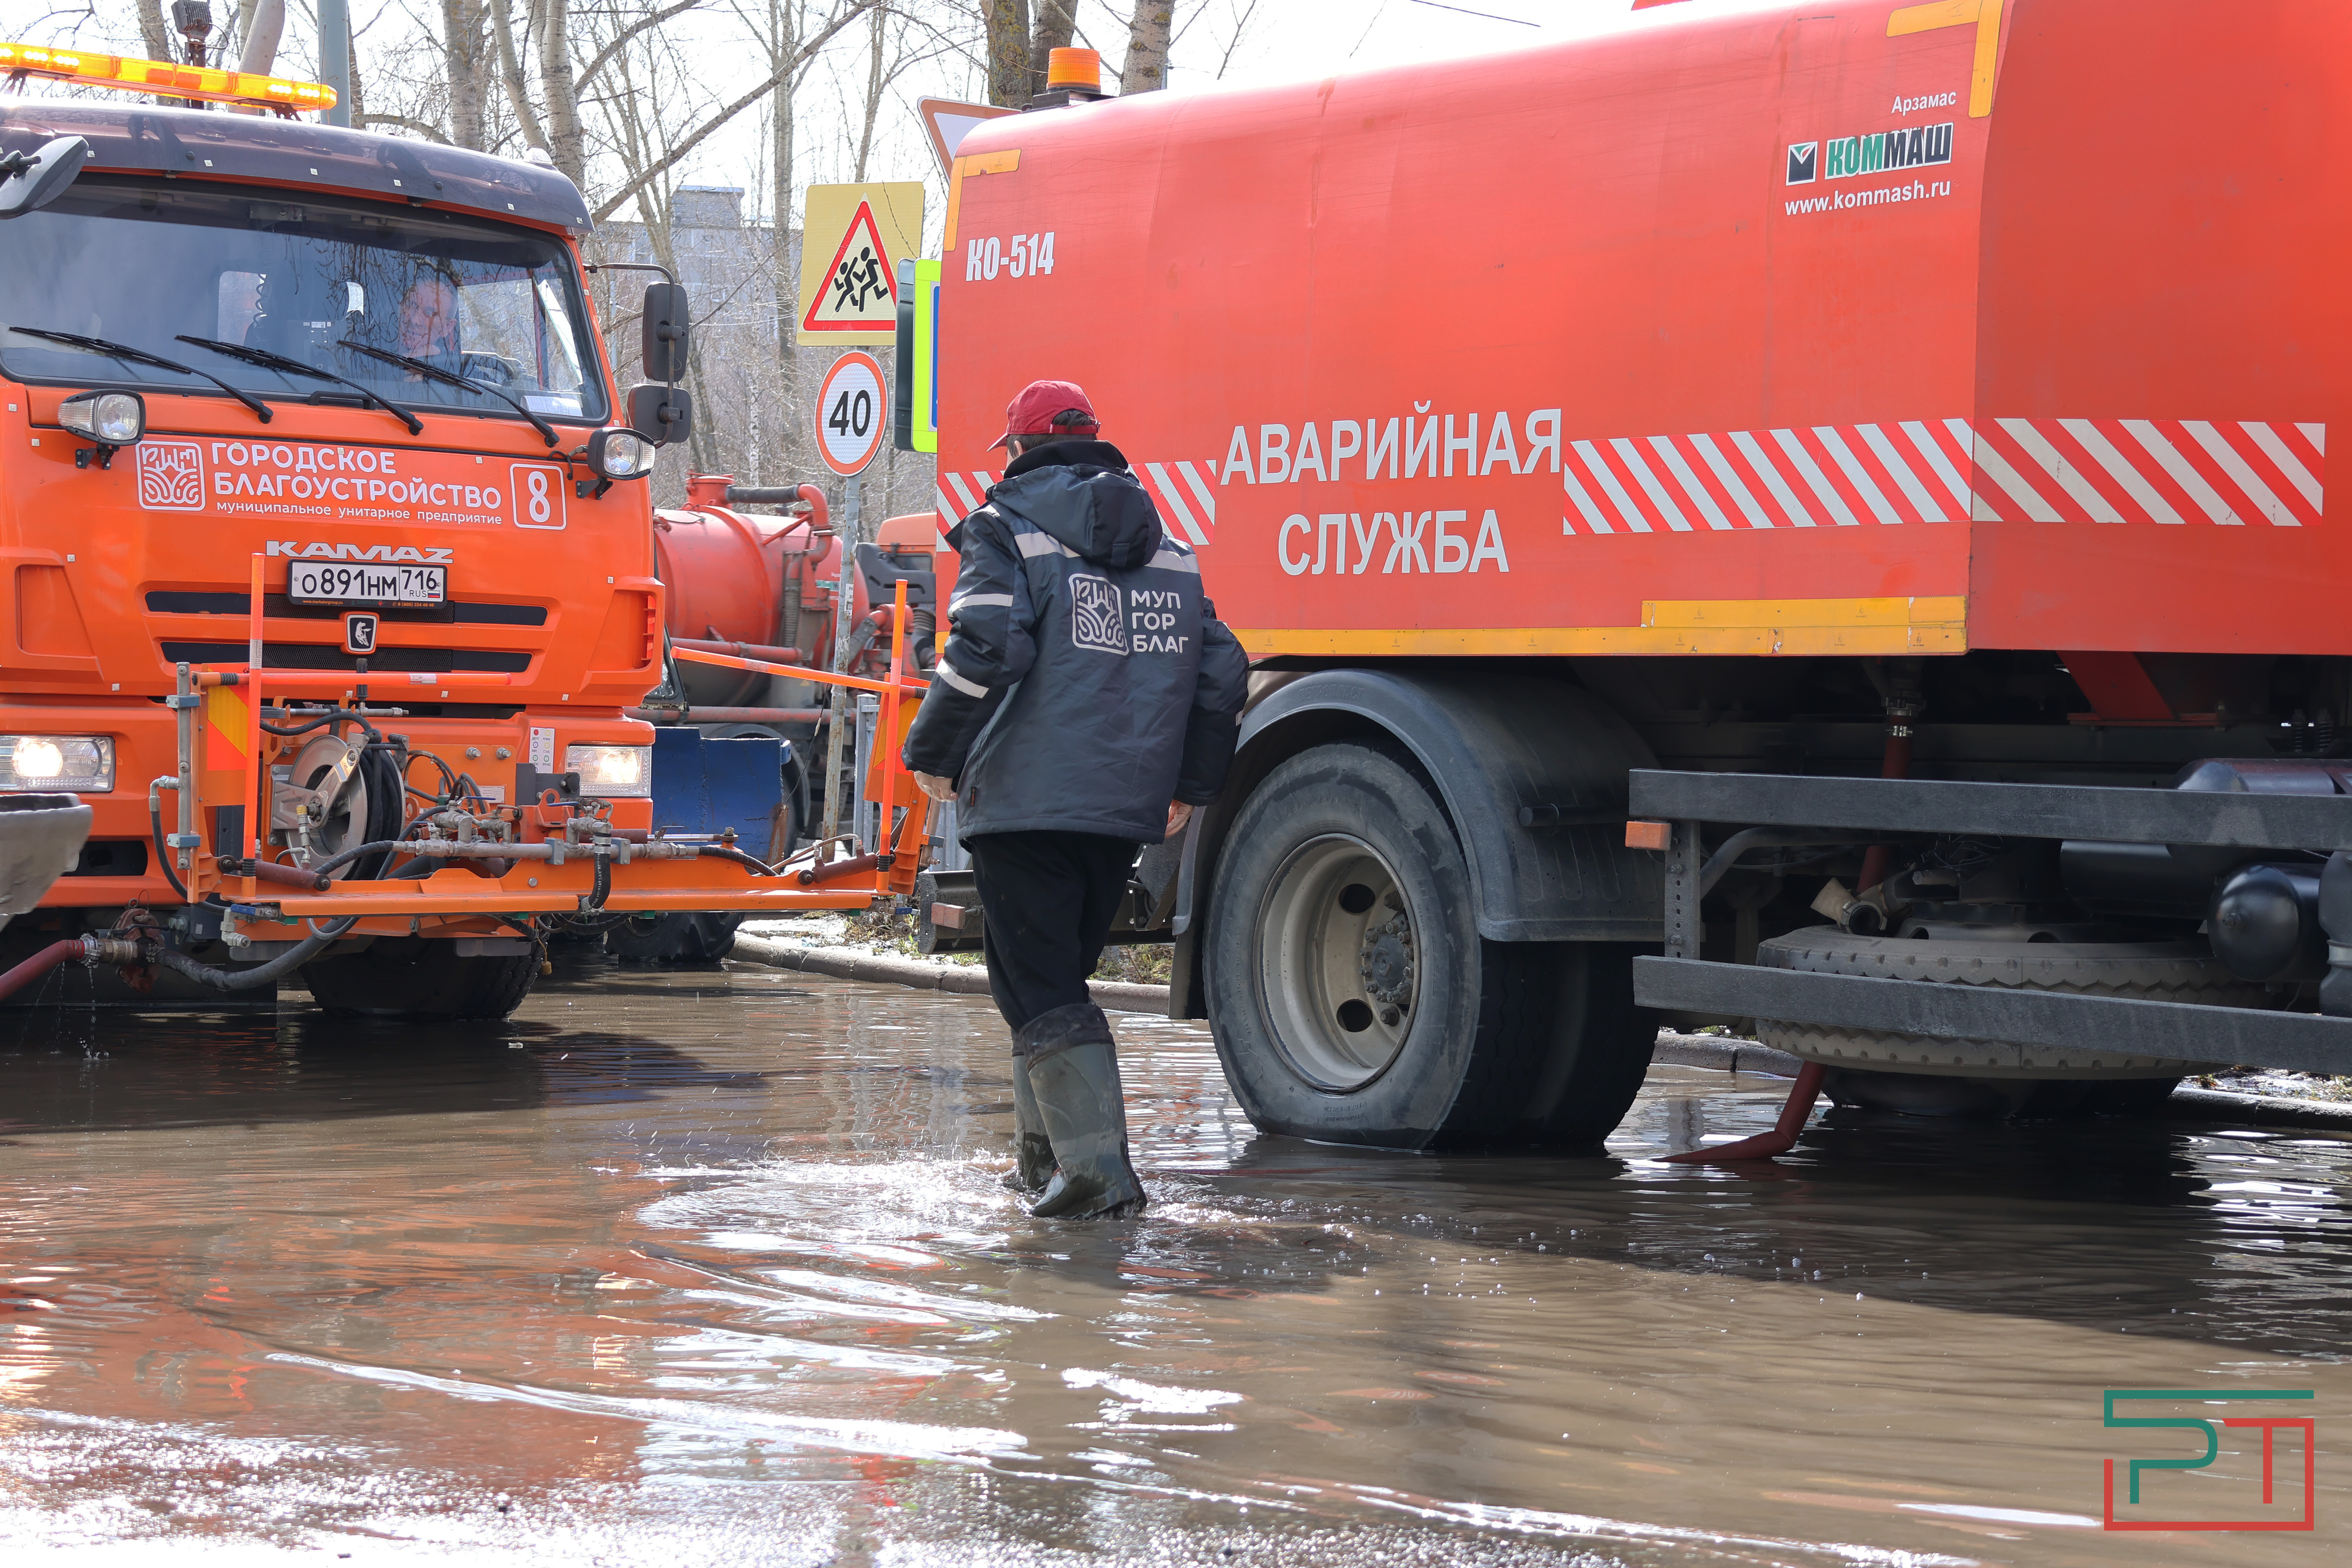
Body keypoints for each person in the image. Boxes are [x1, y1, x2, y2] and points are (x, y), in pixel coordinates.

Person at [904, 380, 1248, 1220]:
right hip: (1121, 806)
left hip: (1024, 795)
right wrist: (1190, 786)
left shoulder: (1004, 529)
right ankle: (1045, 1170)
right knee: (1053, 980)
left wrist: (932, 751)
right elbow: (1224, 669)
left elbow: (985, 644)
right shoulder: (1168, 548)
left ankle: (1096, 1182)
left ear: (1017, 452)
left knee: (1038, 988)